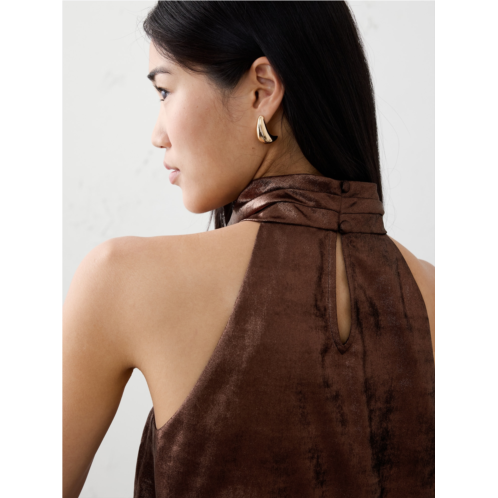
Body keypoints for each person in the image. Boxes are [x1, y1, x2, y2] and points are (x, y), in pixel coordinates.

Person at [62, 1, 435, 496]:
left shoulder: (122, 279)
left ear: (262, 90)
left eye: (165, 90)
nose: (157, 135)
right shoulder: (429, 292)